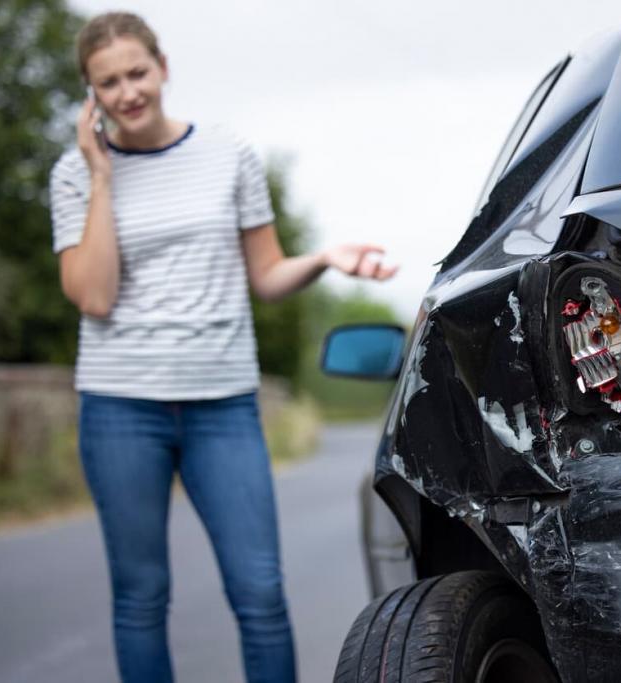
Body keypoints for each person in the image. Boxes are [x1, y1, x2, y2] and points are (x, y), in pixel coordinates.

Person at [49, 12, 396, 683]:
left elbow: (265, 276)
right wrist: (99, 174)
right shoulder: (73, 173)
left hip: (223, 403)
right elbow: (93, 295)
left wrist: (323, 257)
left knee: (260, 592)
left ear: (163, 67)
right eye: (109, 82)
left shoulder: (227, 152)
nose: (128, 92)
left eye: (137, 73)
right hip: (121, 406)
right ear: (90, 94)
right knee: (141, 597)